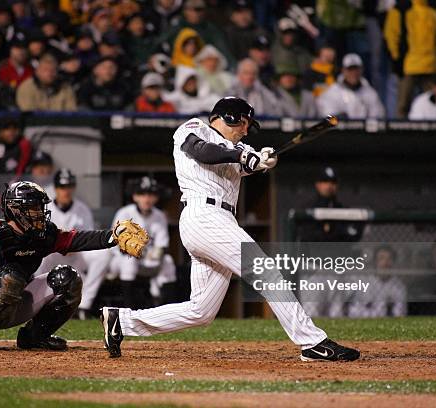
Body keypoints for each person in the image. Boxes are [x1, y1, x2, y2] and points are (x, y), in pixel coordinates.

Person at [100, 96, 360, 362]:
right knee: (266, 271)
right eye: (244, 123)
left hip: (219, 221)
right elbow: (203, 152)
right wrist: (243, 154)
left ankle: (122, 321)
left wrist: (262, 159)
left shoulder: (238, 148)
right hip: (204, 215)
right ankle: (312, 342)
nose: (245, 130)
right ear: (228, 117)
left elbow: (247, 162)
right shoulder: (193, 128)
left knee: (201, 311)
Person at [0, 181, 146, 351]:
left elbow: (76, 240)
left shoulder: (43, 235)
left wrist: (113, 236)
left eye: (41, 207)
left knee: (69, 279)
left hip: (13, 293)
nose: (40, 213)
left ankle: (34, 336)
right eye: (34, 208)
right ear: (16, 210)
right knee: (11, 277)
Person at [36, 169, 113, 319]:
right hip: (54, 254)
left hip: (77, 254)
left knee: (103, 254)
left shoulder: (82, 209)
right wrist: (60, 245)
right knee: (38, 254)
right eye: (62, 187)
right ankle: (37, 300)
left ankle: (84, 305)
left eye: (69, 186)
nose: (66, 191)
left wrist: (74, 245)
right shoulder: (45, 208)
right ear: (56, 188)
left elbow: (90, 238)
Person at [109, 176, 177, 309]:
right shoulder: (124, 213)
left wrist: (157, 252)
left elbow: (162, 245)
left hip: (147, 259)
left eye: (151, 195)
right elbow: (117, 244)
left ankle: (166, 307)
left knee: (168, 261)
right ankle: (128, 308)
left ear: (156, 198)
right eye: (142, 194)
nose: (147, 199)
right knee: (129, 261)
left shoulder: (159, 215)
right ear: (135, 197)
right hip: (120, 260)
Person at [384, 0, 436, 118]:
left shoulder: (435, 7)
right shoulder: (401, 7)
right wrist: (397, 60)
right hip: (408, 65)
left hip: (430, 66)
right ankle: (399, 134)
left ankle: (434, 134)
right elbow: (391, 34)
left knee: (433, 106)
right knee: (403, 106)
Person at [0, 119, 33, 219]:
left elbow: (20, 173)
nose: (11, 132)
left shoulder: (23, 145)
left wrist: (6, 194)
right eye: (7, 129)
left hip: (12, 195)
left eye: (14, 129)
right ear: (0, 132)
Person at [298, 166, 362, 242]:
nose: (329, 186)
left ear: (338, 185)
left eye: (333, 182)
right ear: (317, 184)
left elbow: (352, 237)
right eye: (325, 181)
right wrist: (337, 233)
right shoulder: (307, 209)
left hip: (338, 252)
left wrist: (329, 232)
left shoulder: (343, 209)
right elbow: (308, 237)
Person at [317, 53, 385, 119]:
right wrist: (339, 118)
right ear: (343, 70)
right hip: (340, 130)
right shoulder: (332, 92)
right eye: (350, 69)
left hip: (364, 130)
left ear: (362, 70)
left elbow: (379, 116)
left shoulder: (370, 93)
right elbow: (326, 115)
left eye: (356, 69)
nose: (353, 73)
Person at [348, 246, 407, 318]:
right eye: (381, 258)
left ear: (393, 262)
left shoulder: (398, 287)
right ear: (375, 262)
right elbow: (354, 310)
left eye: (389, 259)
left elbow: (399, 313)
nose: (385, 263)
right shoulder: (364, 281)